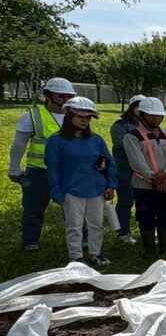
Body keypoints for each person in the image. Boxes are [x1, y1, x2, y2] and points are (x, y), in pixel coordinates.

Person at [45, 97, 117, 266]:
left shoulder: (96, 139)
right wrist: (56, 192)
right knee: (74, 225)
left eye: (88, 117)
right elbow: (52, 169)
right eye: (80, 117)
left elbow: (110, 163)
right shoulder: (56, 141)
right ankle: (76, 257)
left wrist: (111, 185)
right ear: (69, 117)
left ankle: (96, 253)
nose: (84, 120)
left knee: (96, 224)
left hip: (96, 189)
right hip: (71, 190)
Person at [8, 77, 76, 252]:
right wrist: (14, 167)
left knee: (74, 209)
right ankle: (30, 241)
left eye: (69, 96)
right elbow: (19, 143)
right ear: (48, 95)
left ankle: (78, 241)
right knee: (34, 208)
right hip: (39, 171)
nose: (65, 100)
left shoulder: (76, 115)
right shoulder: (32, 115)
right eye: (61, 96)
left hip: (68, 171)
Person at [123, 97, 166, 256]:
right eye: (151, 115)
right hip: (144, 186)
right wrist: (155, 179)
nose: (156, 119)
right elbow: (137, 163)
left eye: (159, 116)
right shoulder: (132, 136)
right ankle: (150, 251)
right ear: (141, 115)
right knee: (146, 217)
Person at [109, 94, 145, 244]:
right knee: (126, 200)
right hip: (124, 170)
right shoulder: (119, 126)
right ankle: (123, 232)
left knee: (144, 202)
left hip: (144, 171)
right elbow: (122, 146)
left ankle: (146, 229)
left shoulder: (149, 127)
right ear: (133, 108)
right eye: (139, 107)